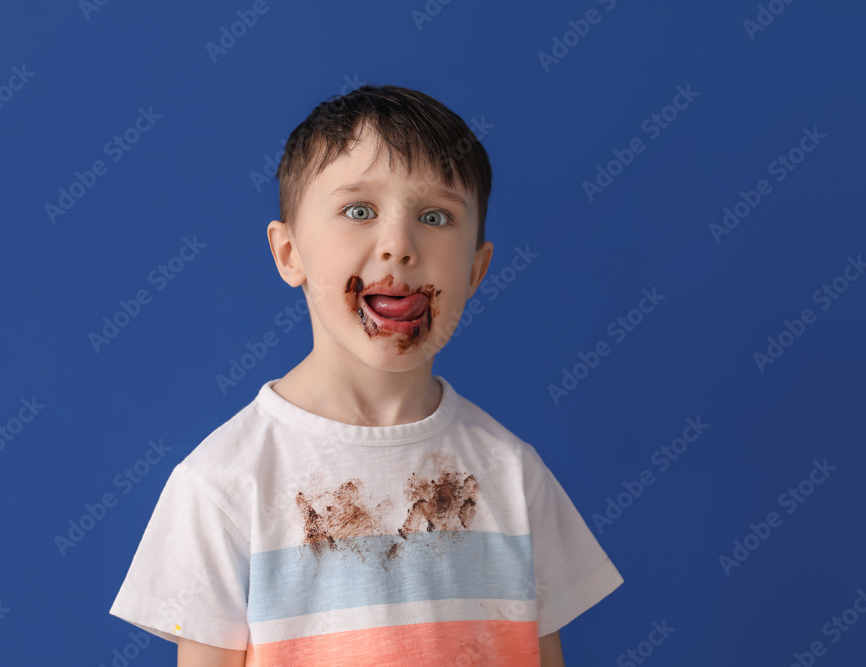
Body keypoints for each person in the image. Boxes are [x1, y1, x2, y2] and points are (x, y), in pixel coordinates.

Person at [109, 83, 623, 667]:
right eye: (359, 211)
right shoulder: (222, 484)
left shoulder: (512, 472)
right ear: (289, 254)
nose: (398, 246)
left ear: (477, 270)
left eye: (435, 216)